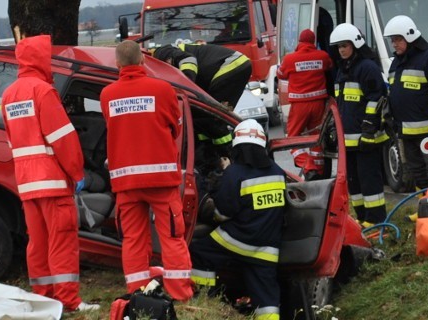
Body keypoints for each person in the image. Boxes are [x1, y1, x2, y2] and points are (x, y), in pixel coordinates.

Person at [0, 34, 98, 313]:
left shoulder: (9, 95)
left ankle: (43, 298)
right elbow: (63, 138)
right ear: (41, 61)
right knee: (62, 242)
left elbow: (12, 141)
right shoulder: (43, 92)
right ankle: (68, 301)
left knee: (38, 243)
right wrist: (76, 172)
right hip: (53, 182)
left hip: (27, 183)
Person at [100, 40, 194, 301]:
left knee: (132, 239)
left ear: (118, 64)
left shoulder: (107, 95)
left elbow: (113, 127)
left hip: (125, 182)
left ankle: (138, 292)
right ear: (143, 61)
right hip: (161, 179)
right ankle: (179, 294)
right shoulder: (162, 89)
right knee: (172, 237)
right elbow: (175, 128)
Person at [190, 119, 285, 320]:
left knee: (198, 252)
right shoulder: (278, 172)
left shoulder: (235, 172)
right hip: (267, 249)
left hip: (237, 240)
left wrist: (221, 181)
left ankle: (206, 301)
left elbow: (223, 213)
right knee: (267, 299)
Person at [384, 16, 428, 193]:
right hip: (406, 131)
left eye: (397, 40)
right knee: (417, 172)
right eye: (392, 40)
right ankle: (425, 206)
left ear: (410, 37)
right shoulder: (396, 62)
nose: (394, 44)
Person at [329, 24, 389, 226]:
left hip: (367, 137)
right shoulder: (342, 70)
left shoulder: (367, 68)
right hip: (348, 139)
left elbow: (376, 100)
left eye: (345, 45)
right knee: (353, 181)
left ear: (355, 44)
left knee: (369, 178)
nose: (341, 50)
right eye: (338, 47)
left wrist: (367, 130)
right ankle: (362, 217)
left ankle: (376, 219)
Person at [276, 29, 333, 181]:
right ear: (313, 42)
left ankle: (308, 166)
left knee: (292, 139)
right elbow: (330, 67)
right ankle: (319, 172)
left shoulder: (290, 59)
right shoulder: (322, 56)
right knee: (316, 138)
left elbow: (280, 74)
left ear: (300, 42)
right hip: (319, 104)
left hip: (299, 105)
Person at [152, 43, 252, 108]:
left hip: (232, 65)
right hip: (237, 66)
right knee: (220, 110)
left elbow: (189, 60)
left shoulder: (170, 53)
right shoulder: (175, 52)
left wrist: (186, 85)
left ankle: (219, 138)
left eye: (168, 62)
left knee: (213, 111)